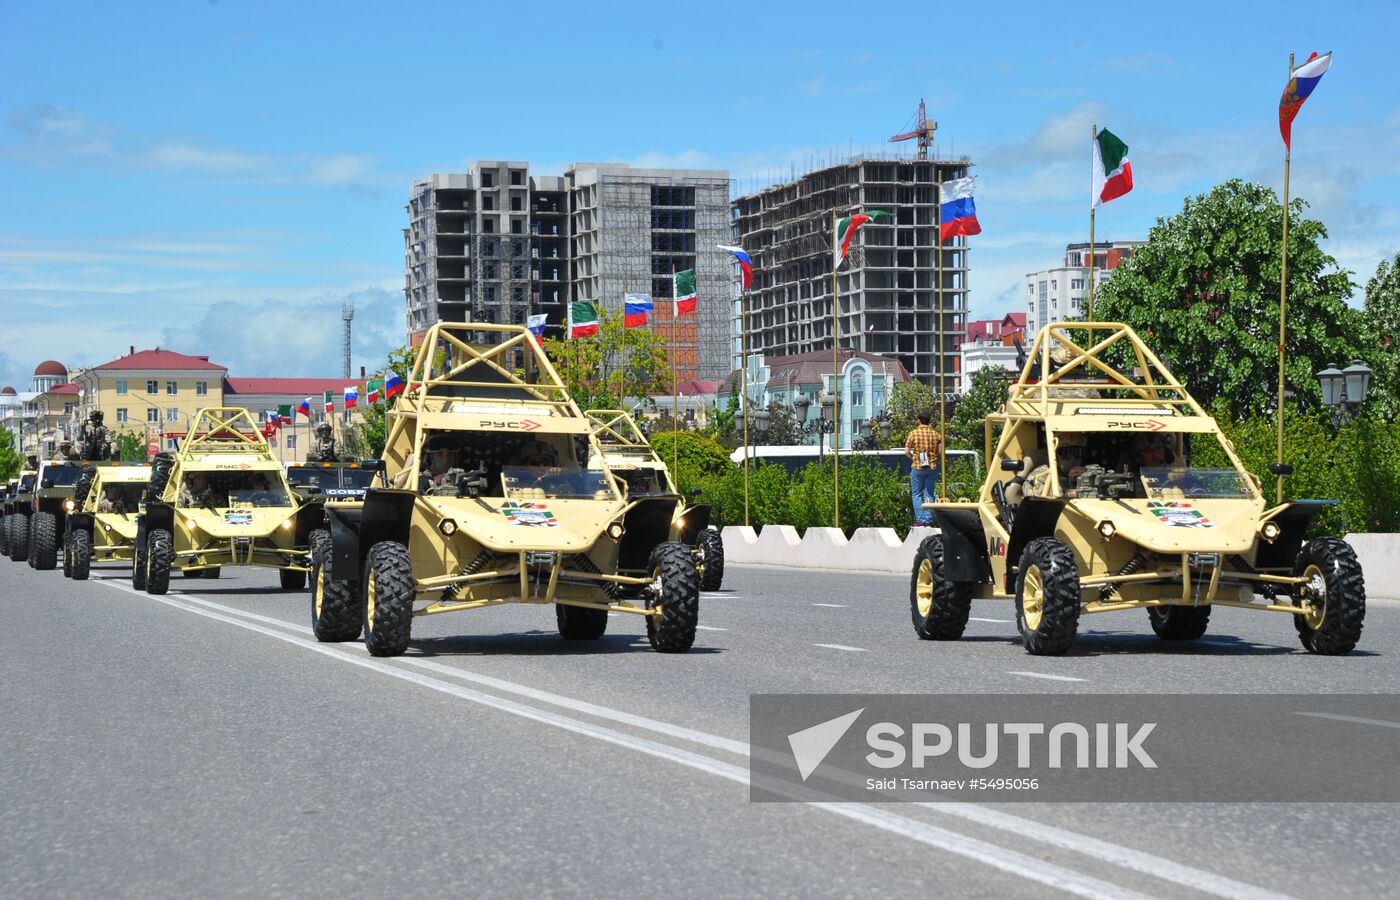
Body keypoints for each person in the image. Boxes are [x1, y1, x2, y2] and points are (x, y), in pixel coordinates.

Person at [904, 412, 943, 526]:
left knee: (916, 494)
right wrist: (933, 457)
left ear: (919, 421)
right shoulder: (936, 435)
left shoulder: (913, 434)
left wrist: (914, 458)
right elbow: (939, 452)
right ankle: (929, 520)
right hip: (931, 467)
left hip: (917, 467)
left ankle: (920, 520)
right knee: (929, 493)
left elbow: (906, 451)